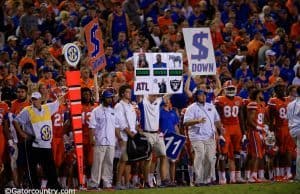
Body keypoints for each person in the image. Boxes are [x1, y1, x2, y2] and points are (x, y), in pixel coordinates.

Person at [13, 92, 63, 189]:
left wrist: (60, 92)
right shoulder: (27, 110)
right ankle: (34, 187)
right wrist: (21, 133)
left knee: (50, 166)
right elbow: (15, 121)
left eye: (36, 99)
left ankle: (54, 186)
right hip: (33, 143)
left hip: (46, 144)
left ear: (40, 100)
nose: (34, 101)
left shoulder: (47, 107)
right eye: (33, 99)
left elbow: (59, 101)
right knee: (32, 167)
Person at [183, 89, 223, 186]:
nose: (204, 96)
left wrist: (220, 130)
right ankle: (198, 179)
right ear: (196, 97)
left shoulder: (211, 106)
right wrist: (197, 121)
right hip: (196, 136)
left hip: (209, 136)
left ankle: (206, 179)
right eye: (201, 95)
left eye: (205, 94)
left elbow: (217, 120)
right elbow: (185, 123)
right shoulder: (191, 108)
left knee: (210, 158)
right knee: (200, 155)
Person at [214, 80, 246, 184]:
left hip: (236, 127)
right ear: (224, 89)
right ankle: (222, 178)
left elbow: (241, 117)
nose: (231, 90)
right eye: (229, 89)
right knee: (223, 154)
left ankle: (236, 177)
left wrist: (244, 133)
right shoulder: (220, 100)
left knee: (237, 153)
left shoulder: (239, 99)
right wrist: (219, 133)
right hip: (225, 127)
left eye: (232, 88)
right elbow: (217, 117)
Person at [87, 89, 116, 190]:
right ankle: (94, 183)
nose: (110, 99)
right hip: (100, 141)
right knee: (97, 163)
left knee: (109, 163)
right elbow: (92, 126)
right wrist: (92, 139)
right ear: (103, 98)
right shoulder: (96, 111)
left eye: (111, 97)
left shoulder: (113, 111)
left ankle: (107, 183)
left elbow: (115, 127)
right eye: (108, 98)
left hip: (111, 141)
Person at [138, 94, 169, 187]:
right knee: (148, 159)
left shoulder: (158, 100)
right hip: (146, 133)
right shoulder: (143, 101)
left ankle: (163, 180)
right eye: (153, 95)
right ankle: (146, 181)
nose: (155, 97)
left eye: (156, 95)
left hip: (157, 133)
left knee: (163, 155)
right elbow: (138, 95)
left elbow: (169, 95)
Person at [268, 84, 295, 181]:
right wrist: (271, 131)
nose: (282, 90)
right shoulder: (273, 101)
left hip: (288, 128)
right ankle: (277, 174)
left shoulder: (289, 100)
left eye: (283, 89)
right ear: (276, 91)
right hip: (278, 128)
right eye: (279, 89)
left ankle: (287, 173)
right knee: (277, 152)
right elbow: (271, 119)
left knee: (288, 151)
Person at [114, 84, 138, 189]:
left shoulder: (130, 106)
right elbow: (121, 122)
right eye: (128, 92)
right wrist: (130, 133)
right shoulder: (119, 105)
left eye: (130, 91)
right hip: (124, 135)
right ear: (123, 93)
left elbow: (134, 121)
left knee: (129, 161)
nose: (130, 94)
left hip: (132, 135)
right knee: (123, 159)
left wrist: (135, 132)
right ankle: (118, 183)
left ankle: (127, 183)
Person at [246, 89, 267, 183]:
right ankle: (252, 176)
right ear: (258, 94)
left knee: (260, 154)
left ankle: (255, 175)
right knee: (256, 154)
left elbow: (262, 119)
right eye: (261, 93)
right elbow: (250, 120)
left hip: (261, 131)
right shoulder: (253, 104)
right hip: (254, 131)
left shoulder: (262, 104)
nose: (263, 95)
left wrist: (265, 127)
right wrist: (258, 127)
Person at [287, 86, 300, 181]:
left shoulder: (290, 104)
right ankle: (298, 176)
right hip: (299, 128)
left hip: (292, 130)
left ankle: (298, 175)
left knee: (299, 152)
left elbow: (288, 118)